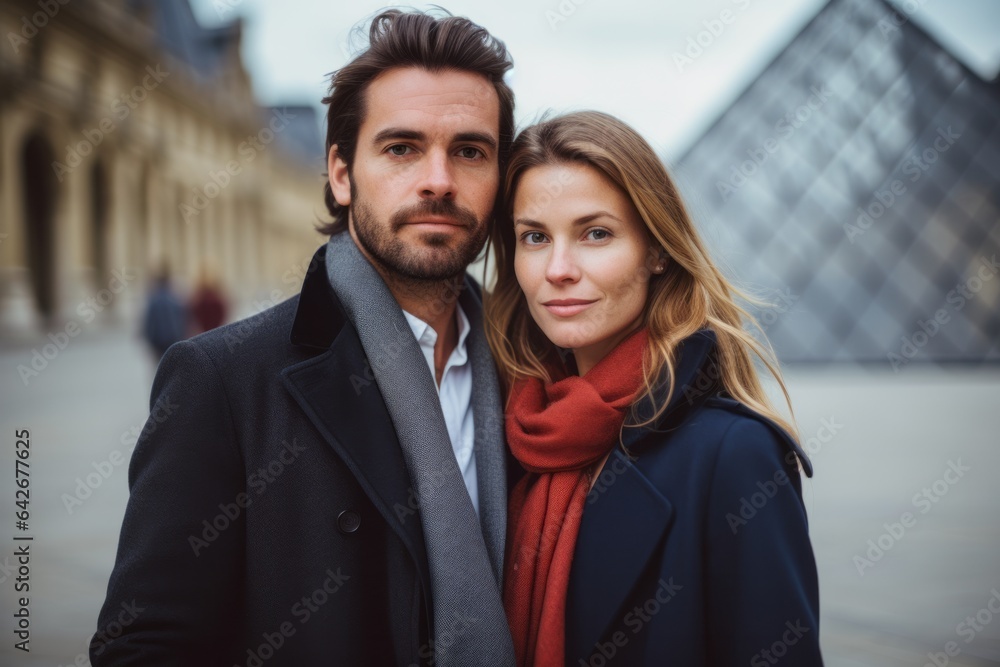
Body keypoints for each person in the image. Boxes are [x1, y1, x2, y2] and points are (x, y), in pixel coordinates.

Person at [92, 10, 518, 666]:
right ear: (342, 174)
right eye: (401, 147)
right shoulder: (223, 381)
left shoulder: (534, 368)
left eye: (470, 150)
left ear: (500, 180)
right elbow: (144, 647)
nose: (439, 178)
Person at [484, 111, 823, 666]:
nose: (558, 268)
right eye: (534, 237)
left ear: (657, 251)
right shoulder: (507, 431)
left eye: (596, 234)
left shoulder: (735, 456)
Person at [141, 265, 186, 360]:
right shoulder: (174, 299)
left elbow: (149, 323)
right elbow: (181, 321)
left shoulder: (154, 300)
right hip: (173, 340)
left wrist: (150, 340)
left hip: (158, 342)